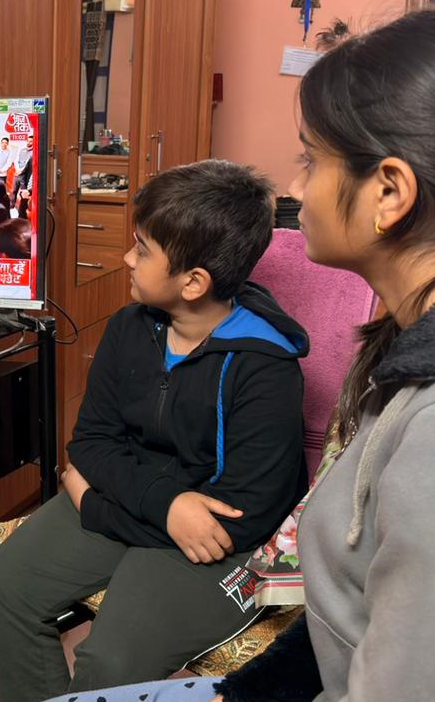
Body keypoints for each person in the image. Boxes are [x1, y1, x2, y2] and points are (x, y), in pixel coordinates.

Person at [44, 12, 435, 702]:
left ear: (389, 192)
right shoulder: (394, 362)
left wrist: (96, 501)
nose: (295, 188)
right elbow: (343, 626)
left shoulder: (416, 427)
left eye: (311, 160)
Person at [0, 159, 308, 702]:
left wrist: (92, 504)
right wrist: (162, 506)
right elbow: (91, 442)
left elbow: (241, 519)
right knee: (4, 587)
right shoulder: (129, 327)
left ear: (194, 282)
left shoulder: (267, 368)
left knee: (112, 660)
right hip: (149, 503)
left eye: (143, 249)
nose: (128, 258)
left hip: (212, 538)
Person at [12, 134, 34, 205]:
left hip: (25, 175)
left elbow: (27, 164)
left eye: (31, 141)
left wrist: (21, 171)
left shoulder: (34, 152)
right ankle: (12, 206)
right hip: (17, 173)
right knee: (14, 191)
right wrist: (17, 169)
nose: (29, 143)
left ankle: (23, 208)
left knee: (24, 193)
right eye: (28, 141)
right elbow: (16, 160)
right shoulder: (22, 150)